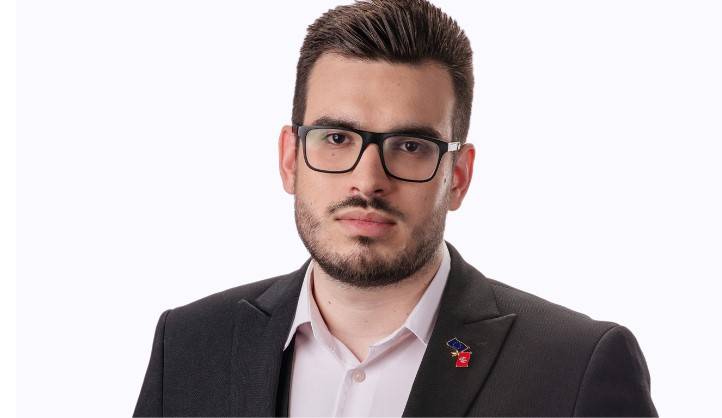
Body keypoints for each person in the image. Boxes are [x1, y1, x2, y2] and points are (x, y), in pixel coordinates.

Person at [133, 0, 658, 416]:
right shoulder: (190, 345)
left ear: (459, 176)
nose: (368, 181)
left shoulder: (574, 367)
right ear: (290, 159)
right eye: (337, 138)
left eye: (410, 146)